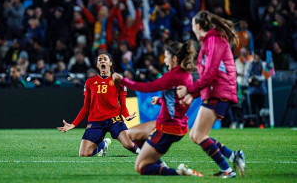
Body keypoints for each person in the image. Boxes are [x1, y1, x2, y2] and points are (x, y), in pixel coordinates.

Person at [113, 41, 202, 177]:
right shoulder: (186, 76)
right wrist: (161, 101)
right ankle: (160, 164)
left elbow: (146, 87)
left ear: (174, 58)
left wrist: (123, 80)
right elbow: (178, 102)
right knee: (131, 134)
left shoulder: (172, 76)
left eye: (166, 56)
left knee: (141, 167)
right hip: (175, 125)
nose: (164, 60)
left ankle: (179, 173)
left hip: (167, 127)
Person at [177, 11, 245, 178]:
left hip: (219, 91)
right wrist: (193, 94)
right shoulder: (210, 42)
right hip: (214, 91)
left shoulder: (214, 40)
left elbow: (210, 73)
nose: (192, 28)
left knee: (199, 135)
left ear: (198, 26)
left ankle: (227, 170)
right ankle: (234, 155)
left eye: (193, 25)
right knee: (195, 135)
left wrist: (191, 91)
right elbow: (206, 74)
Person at [57, 53, 139, 157]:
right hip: (96, 122)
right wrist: (73, 124)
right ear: (97, 65)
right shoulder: (90, 82)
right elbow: (86, 107)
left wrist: (127, 116)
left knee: (129, 145)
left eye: (105, 59)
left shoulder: (118, 81)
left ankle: (147, 154)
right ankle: (103, 144)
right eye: (100, 60)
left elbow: (123, 104)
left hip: (114, 120)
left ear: (110, 63)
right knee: (83, 154)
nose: (102, 61)